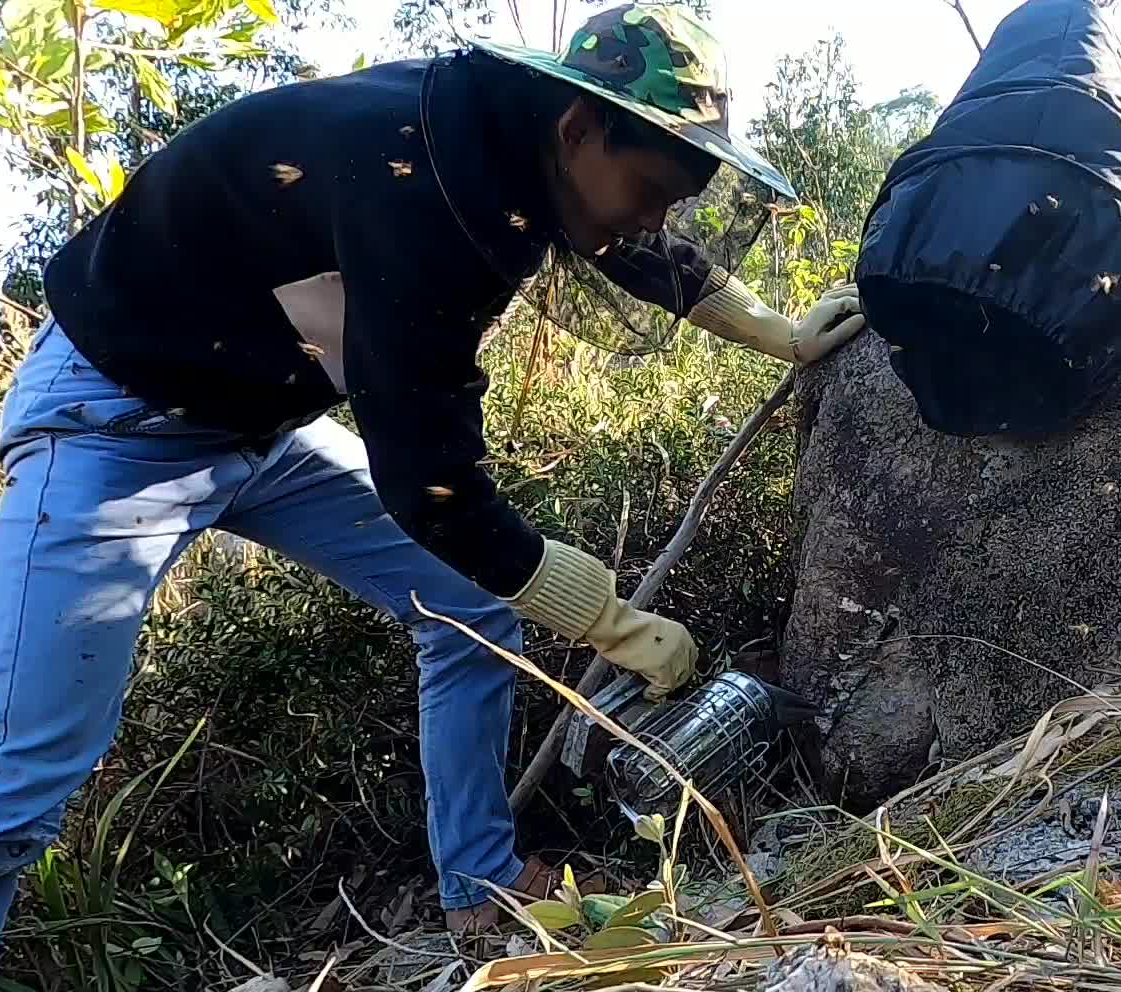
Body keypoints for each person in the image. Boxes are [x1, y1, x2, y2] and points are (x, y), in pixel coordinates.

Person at [0, 3, 866, 935]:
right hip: (114, 425)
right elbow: (435, 491)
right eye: (653, 185)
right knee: (27, 770)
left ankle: (479, 889)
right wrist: (609, 619)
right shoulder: (416, 190)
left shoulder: (514, 135)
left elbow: (631, 236)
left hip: (260, 425)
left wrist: (773, 331)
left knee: (473, 611)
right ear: (581, 126)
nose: (656, 214)